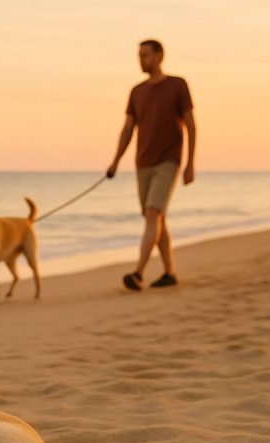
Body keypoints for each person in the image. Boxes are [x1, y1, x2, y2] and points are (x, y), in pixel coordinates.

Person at [106, 39, 196, 291]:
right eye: (139, 56)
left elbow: (191, 125)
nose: (141, 60)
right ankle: (170, 273)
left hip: (169, 160)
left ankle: (138, 273)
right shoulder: (137, 92)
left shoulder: (177, 85)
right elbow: (127, 129)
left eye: (145, 55)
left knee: (152, 214)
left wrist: (190, 163)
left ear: (159, 56)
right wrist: (115, 161)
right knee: (157, 218)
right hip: (143, 162)